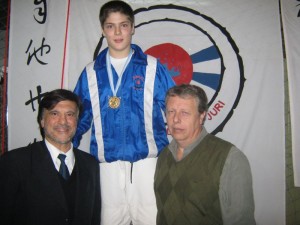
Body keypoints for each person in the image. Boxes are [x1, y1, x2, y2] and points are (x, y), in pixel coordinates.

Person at [72, 1, 174, 224]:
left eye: (123, 25)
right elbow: (79, 117)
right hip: (106, 166)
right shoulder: (90, 73)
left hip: (148, 163)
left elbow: (174, 111)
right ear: (102, 29)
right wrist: (67, 148)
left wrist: (183, 148)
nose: (117, 32)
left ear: (133, 27)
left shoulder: (153, 68)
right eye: (110, 26)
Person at [154, 84, 256, 225]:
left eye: (184, 113)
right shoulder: (164, 156)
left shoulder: (229, 158)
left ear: (202, 116)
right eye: (171, 111)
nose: (176, 119)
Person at [0, 89, 101, 225]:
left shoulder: (90, 164)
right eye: (54, 113)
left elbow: (94, 217)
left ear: (77, 121)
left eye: (70, 114)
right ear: (42, 121)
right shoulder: (15, 162)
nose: (63, 121)